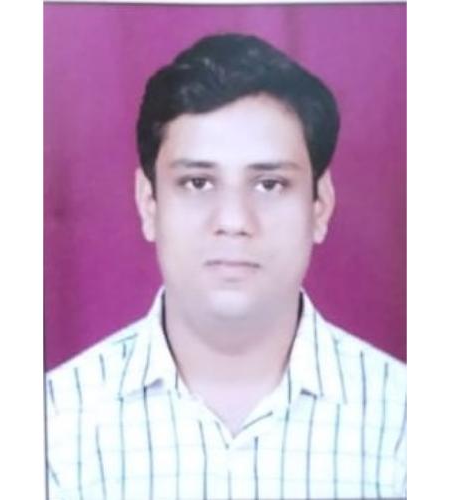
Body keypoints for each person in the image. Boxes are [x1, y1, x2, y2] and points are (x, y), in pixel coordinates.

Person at [46, 33, 406, 500]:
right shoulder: (52, 427)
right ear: (149, 202)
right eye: (197, 183)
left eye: (270, 184)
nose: (234, 221)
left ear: (320, 205)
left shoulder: (407, 425)